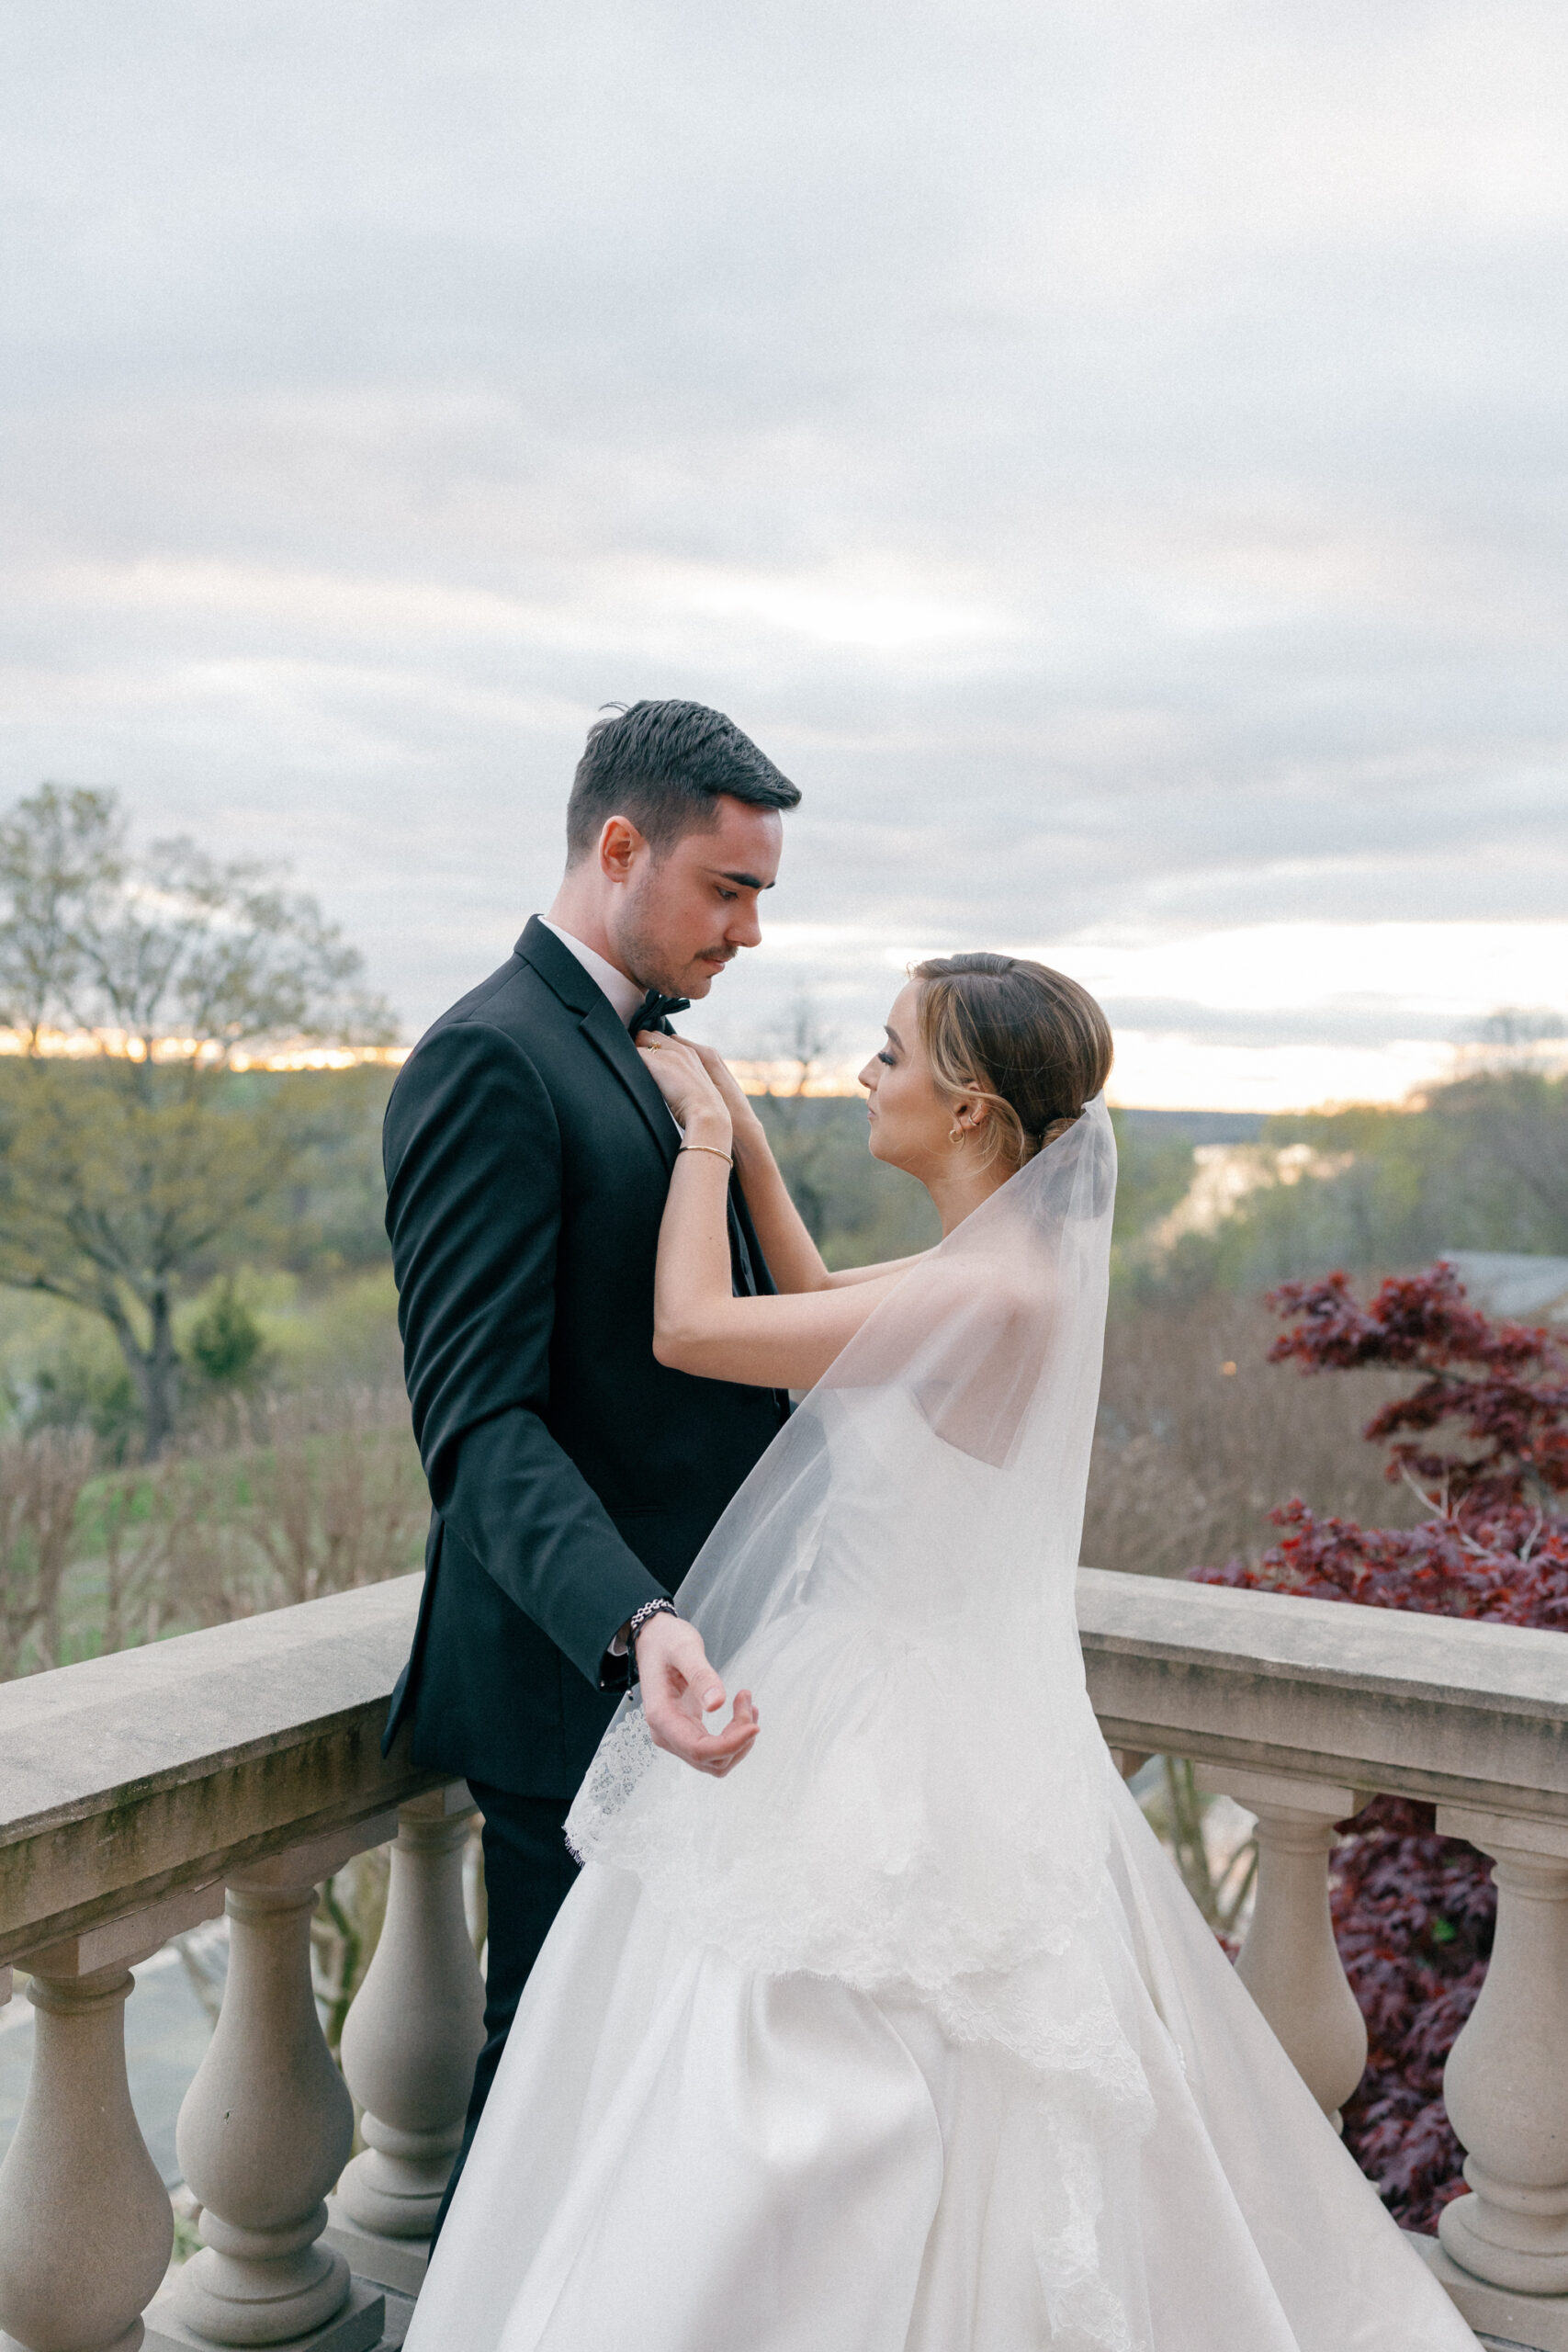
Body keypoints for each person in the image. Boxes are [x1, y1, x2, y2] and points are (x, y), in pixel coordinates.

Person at [406, 954, 1481, 2352]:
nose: (869, 1074)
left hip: (880, 1726)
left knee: (823, 2086)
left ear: (969, 1112)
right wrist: (754, 1140)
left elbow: (696, 1329)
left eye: (892, 1054)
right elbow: (807, 1300)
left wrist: (706, 1145)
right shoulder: (986, 1269)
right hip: (875, 1690)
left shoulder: (997, 1295)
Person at [380, 699, 800, 2231]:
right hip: (580, 1684)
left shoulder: (669, 1060)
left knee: (664, 2109)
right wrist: (636, 1627)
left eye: (763, 894)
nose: (750, 930)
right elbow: (480, 1425)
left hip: (706, 1677)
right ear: (619, 848)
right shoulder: (486, 1061)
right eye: (728, 888)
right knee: (551, 2103)